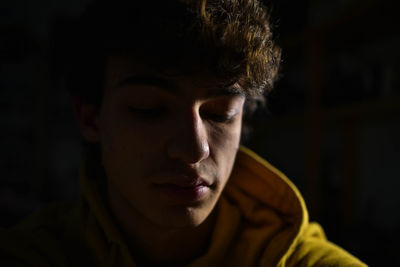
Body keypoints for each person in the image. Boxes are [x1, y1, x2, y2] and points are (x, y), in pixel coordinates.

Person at [1, 0, 367, 266]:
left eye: (221, 114)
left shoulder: (297, 257)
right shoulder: (32, 253)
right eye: (150, 109)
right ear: (91, 118)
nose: (195, 149)